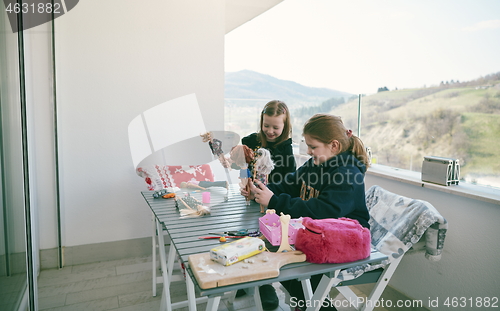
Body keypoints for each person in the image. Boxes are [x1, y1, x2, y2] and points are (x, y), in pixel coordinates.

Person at [250, 113, 371, 311]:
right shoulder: (316, 164)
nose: (308, 151)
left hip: (345, 242)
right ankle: (303, 302)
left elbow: (322, 211)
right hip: (318, 233)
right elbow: (290, 184)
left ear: (334, 146)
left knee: (291, 269)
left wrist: (274, 201)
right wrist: (262, 189)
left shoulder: (348, 174)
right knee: (278, 259)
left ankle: (312, 305)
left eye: (313, 147)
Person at [238, 100, 297, 310]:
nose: (270, 131)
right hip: (251, 201)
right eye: (266, 126)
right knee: (244, 236)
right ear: (261, 122)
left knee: (263, 243)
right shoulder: (250, 141)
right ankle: (247, 279)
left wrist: (269, 193)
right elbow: (243, 168)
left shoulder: (287, 151)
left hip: (273, 206)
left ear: (285, 127)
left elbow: (291, 183)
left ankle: (264, 284)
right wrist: (245, 184)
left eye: (276, 127)